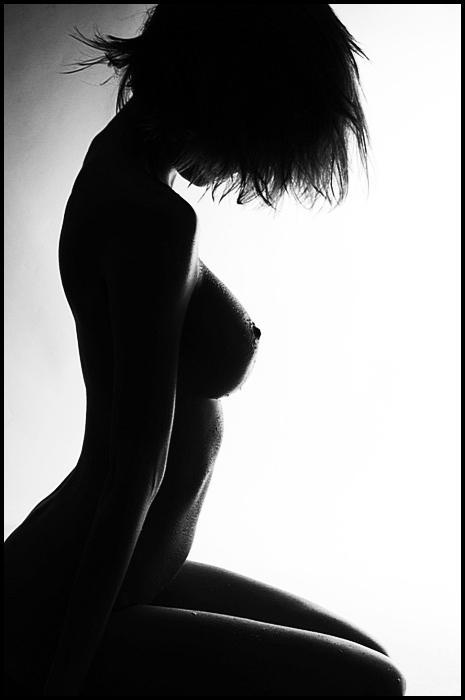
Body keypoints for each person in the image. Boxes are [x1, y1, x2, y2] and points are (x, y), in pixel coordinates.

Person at [4, 4, 406, 696]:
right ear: (231, 95)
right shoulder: (153, 221)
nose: (244, 180)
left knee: (367, 656)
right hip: (75, 587)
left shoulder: (126, 178)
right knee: (374, 684)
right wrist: (63, 677)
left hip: (121, 567)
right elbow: (133, 472)